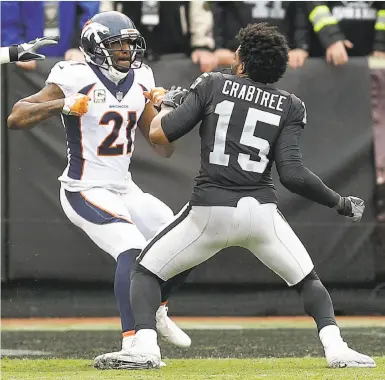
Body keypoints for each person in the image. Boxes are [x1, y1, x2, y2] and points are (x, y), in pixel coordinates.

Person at [96, 23, 376, 370]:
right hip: (261, 213)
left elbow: (159, 134)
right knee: (308, 281)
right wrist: (340, 202)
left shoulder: (213, 83)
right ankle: (337, 349)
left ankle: (145, 347)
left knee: (146, 272)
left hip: (210, 209)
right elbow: (292, 174)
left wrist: (166, 103)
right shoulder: (290, 105)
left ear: (242, 60)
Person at [7, 10, 191, 358]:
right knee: (133, 250)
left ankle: (158, 307)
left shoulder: (142, 78)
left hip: (124, 187)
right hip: (84, 188)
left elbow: (162, 148)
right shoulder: (73, 75)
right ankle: (133, 343)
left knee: (183, 240)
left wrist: (167, 113)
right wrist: (63, 105)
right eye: (118, 44)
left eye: (129, 43)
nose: (126, 50)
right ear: (96, 46)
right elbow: (16, 117)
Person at [1, 1, 99, 70]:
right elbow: (7, 15)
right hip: (24, 67)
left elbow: (89, 12)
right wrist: (16, 47)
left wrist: (80, 46)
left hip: (70, 57)